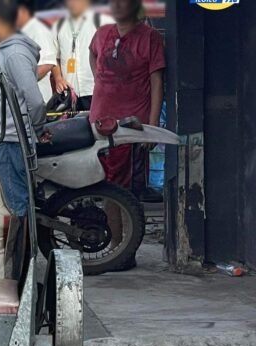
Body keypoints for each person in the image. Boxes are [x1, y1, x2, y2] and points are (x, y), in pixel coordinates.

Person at [89, 0, 164, 269]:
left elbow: (157, 82)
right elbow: (93, 56)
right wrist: (100, 83)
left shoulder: (149, 37)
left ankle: (126, 250)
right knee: (106, 185)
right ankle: (114, 246)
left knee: (128, 190)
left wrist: (152, 123)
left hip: (132, 125)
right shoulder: (102, 34)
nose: (118, 6)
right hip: (100, 121)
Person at [0, 0, 45, 216]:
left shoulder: (14, 54)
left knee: (15, 206)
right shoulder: (5, 51)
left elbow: (34, 100)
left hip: (11, 140)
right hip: (7, 139)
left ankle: (20, 249)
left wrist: (39, 128)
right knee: (13, 203)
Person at [51, 0, 114, 110]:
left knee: (97, 126)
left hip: (95, 90)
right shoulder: (58, 25)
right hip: (69, 95)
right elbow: (53, 56)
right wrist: (58, 78)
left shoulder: (103, 21)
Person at [16, 0, 57, 102]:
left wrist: (24, 81)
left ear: (23, 11)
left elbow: (48, 63)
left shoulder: (39, 30)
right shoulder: (18, 31)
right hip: (22, 100)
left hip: (38, 99)